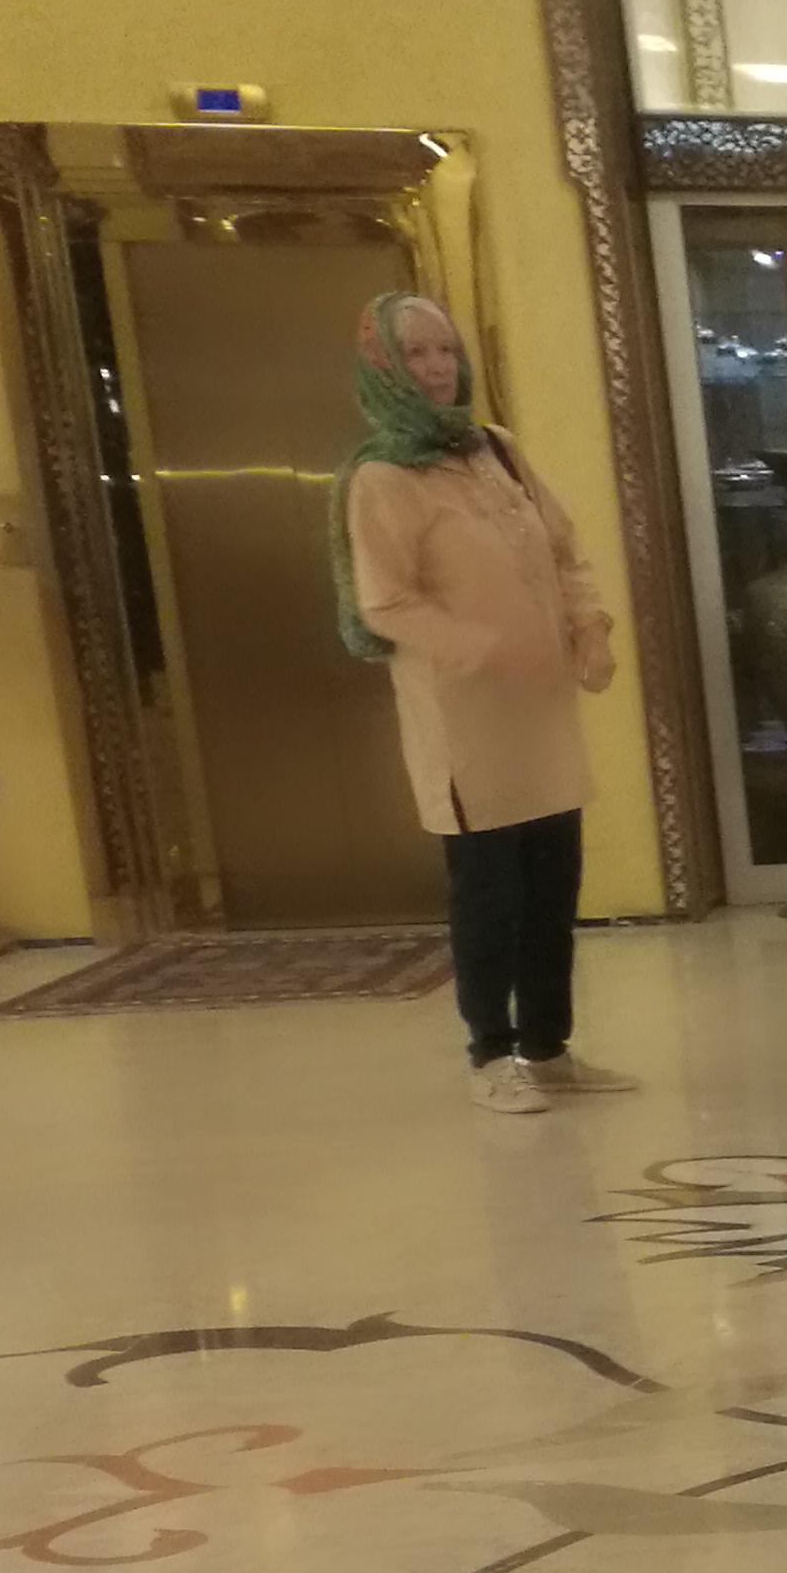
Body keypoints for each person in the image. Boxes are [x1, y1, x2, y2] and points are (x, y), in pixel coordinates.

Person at [332, 291, 627, 1116]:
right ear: (382, 367)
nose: (436, 369)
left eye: (445, 351)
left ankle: (549, 1049)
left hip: (540, 714)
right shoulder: (382, 478)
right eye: (415, 354)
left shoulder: (495, 449)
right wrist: (484, 647)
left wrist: (589, 627)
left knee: (552, 889)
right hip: (464, 722)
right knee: (490, 896)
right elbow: (386, 603)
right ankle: (490, 1053)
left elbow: (564, 551)